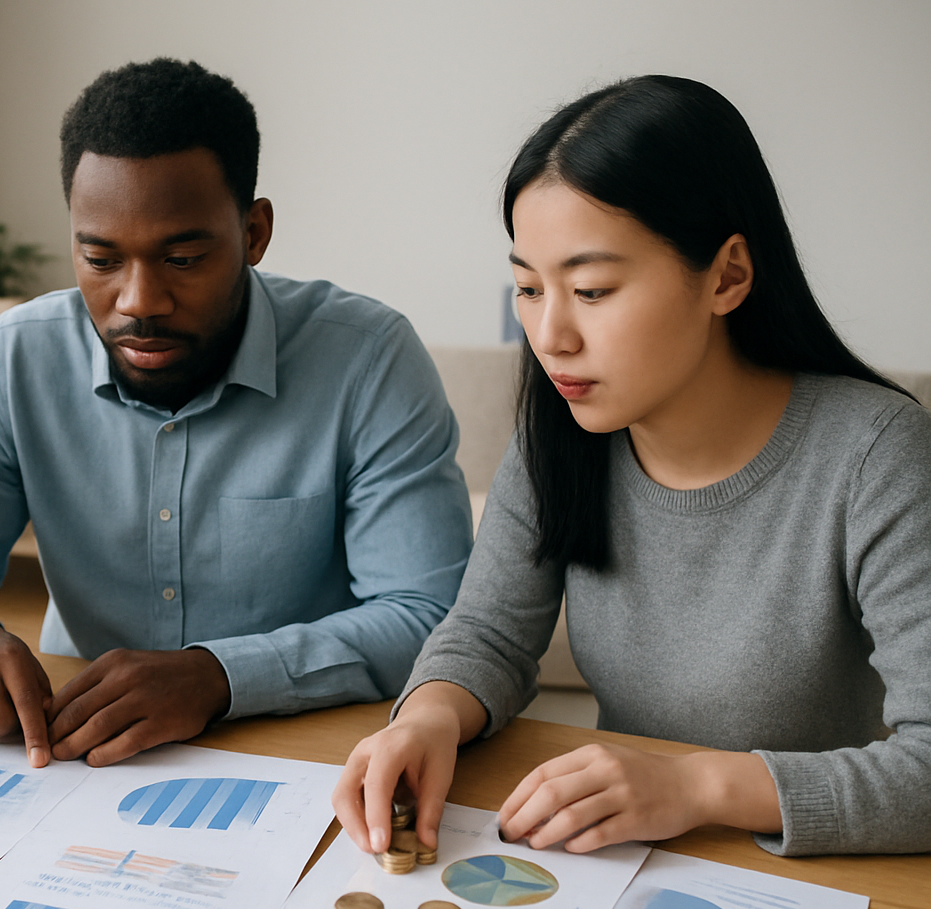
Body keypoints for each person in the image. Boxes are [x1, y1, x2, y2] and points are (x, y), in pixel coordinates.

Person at [335, 75, 931, 858]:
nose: (550, 336)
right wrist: (428, 718)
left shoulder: (876, 453)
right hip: (618, 864)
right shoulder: (562, 433)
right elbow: (489, 633)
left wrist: (692, 786)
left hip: (810, 882)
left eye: (591, 288)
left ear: (727, 275)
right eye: (525, 287)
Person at [0, 58, 472, 771]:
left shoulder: (369, 359)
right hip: (73, 759)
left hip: (304, 754)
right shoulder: (15, 357)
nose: (138, 302)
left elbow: (427, 614)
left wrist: (217, 676)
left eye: (183, 259)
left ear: (254, 234)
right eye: (100, 260)